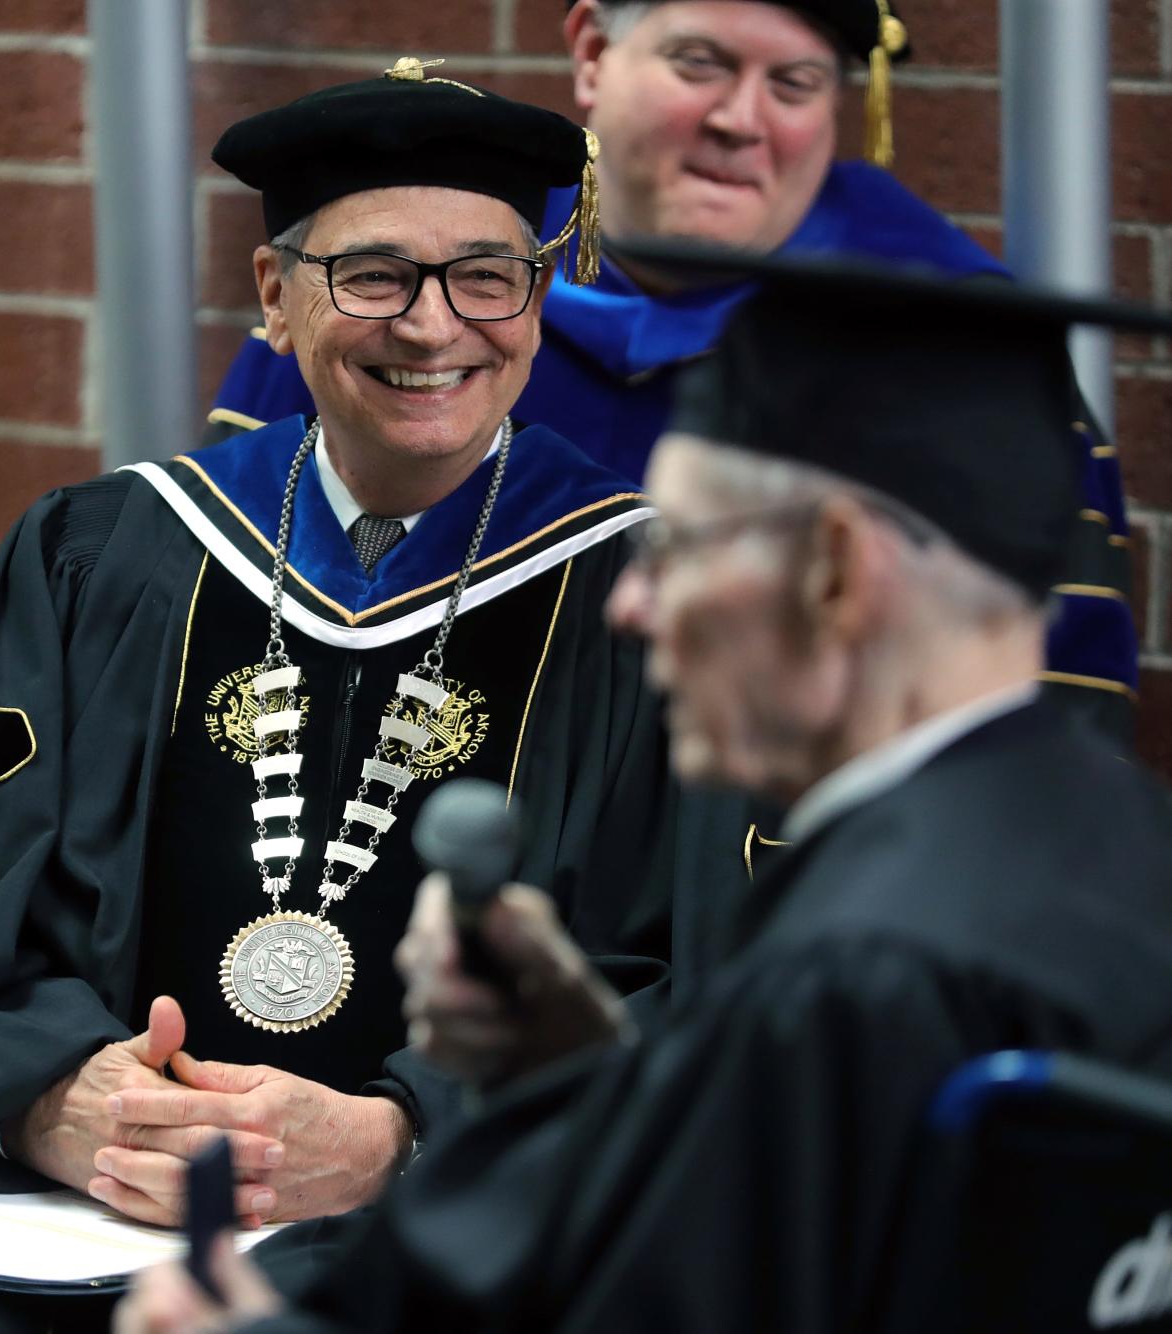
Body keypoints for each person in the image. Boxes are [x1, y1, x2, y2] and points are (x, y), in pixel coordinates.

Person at [116, 256, 1172, 1334]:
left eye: (681, 547)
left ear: (836, 572)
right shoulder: (1120, 842)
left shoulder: (860, 971)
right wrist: (576, 1071)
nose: (630, 604)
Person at [0, 61, 698, 1330]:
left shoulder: (658, 597)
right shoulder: (103, 552)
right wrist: (43, 1094)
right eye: (375, 273)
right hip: (73, 1231)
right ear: (276, 301)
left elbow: (706, 965)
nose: (435, 325)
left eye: (487, 276)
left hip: (466, 1244)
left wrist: (408, 1130)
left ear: (538, 302)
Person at [205, 0, 1137, 737]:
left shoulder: (954, 345)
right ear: (592, 53)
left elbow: (1047, 710)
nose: (741, 120)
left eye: (797, 83)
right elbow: (236, 607)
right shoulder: (400, 290)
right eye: (701, 63)